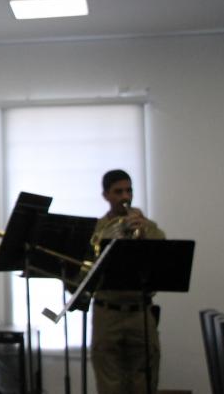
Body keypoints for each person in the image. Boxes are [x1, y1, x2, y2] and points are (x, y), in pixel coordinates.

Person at [90, 169, 165, 394]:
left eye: (128, 190)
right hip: (107, 312)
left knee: (145, 382)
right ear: (106, 195)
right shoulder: (96, 230)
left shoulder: (149, 227)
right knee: (109, 383)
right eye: (118, 191)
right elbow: (85, 270)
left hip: (140, 312)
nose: (125, 196)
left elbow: (164, 261)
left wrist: (143, 234)